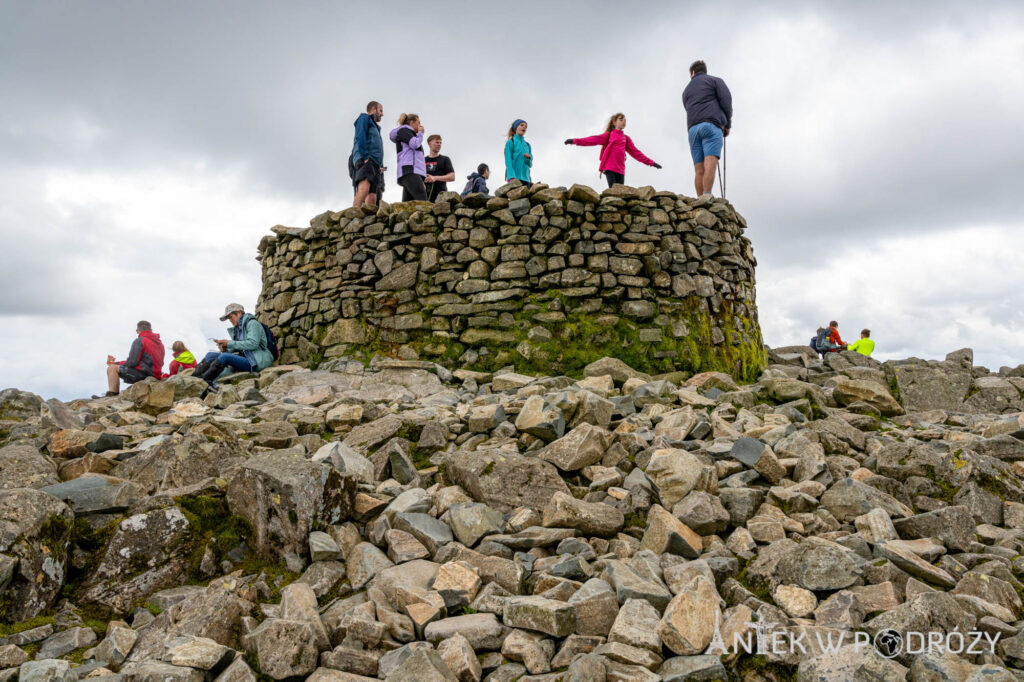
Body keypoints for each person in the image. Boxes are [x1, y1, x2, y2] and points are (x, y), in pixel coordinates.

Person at [564, 113, 662, 187]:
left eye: (625, 120)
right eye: (621, 119)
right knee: (613, 192)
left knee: (621, 195)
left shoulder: (626, 138)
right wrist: (574, 141)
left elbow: (636, 153)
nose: (624, 122)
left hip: (621, 169)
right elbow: (591, 140)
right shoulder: (608, 135)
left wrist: (652, 163)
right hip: (609, 167)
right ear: (614, 122)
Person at [191, 303, 275, 390]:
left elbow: (253, 344)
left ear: (238, 313)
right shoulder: (238, 329)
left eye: (230, 317)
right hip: (247, 358)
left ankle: (204, 382)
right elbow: (238, 347)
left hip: (256, 362)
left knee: (224, 357)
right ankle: (193, 379)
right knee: (210, 355)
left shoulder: (252, 323)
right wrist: (225, 348)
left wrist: (229, 343)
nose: (230, 320)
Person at [682, 60, 732, 197]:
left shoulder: (686, 91)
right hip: (711, 125)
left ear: (692, 73)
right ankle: (707, 195)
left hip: (692, 130)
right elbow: (726, 102)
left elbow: (687, 108)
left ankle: (700, 200)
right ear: (704, 71)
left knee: (699, 169)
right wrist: (727, 124)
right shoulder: (715, 81)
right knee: (710, 160)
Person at [95, 320, 164, 398]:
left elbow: (132, 362)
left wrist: (116, 364)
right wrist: (119, 363)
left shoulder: (140, 340)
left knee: (112, 368)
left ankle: (113, 394)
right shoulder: (160, 344)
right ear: (151, 330)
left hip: (145, 375)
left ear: (137, 331)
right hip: (156, 375)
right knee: (116, 366)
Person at [352, 100, 385, 208]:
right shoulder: (364, 118)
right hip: (366, 159)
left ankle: (368, 222)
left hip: (375, 163)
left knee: (372, 196)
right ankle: (353, 216)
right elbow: (360, 135)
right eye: (380, 110)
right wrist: (365, 156)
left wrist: (380, 165)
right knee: (364, 188)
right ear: (374, 109)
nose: (382, 114)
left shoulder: (376, 127)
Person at [389, 114, 428, 201]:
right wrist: (421, 134)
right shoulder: (404, 130)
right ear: (412, 122)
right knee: (422, 197)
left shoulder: (412, 134)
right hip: (409, 170)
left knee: (407, 203)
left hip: (412, 171)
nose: (420, 125)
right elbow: (414, 144)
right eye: (418, 122)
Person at [424, 134, 456, 202]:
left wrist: (435, 178)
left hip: (441, 197)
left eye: (440, 143)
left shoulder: (445, 159)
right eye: (437, 142)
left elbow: (452, 177)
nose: (439, 144)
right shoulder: (423, 160)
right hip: (425, 196)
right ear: (429, 144)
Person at [504, 119, 532, 186]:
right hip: (514, 178)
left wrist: (528, 159)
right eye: (522, 125)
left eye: (526, 127)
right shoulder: (510, 142)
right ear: (515, 127)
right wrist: (511, 176)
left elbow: (530, 164)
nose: (524, 127)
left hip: (526, 178)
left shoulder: (528, 145)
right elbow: (508, 161)